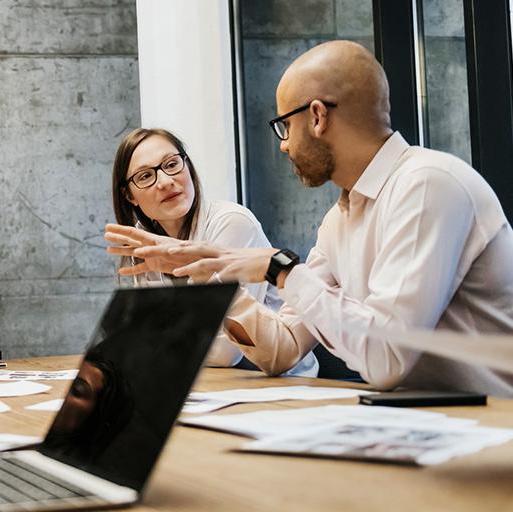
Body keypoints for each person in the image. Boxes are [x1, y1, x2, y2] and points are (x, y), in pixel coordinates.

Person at [106, 40, 513, 396]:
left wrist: (279, 269)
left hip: (492, 430)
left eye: (285, 126)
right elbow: (281, 350)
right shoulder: (339, 219)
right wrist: (207, 273)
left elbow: (387, 359)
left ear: (317, 117)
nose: (283, 146)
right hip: (424, 424)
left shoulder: (427, 184)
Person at [110, 128, 317, 376]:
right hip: (206, 384)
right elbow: (141, 341)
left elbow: (226, 351)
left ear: (187, 165)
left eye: (172, 164)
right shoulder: (142, 239)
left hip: (279, 384)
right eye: (145, 176)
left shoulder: (232, 223)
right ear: (129, 196)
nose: (165, 181)